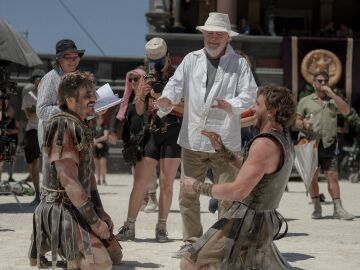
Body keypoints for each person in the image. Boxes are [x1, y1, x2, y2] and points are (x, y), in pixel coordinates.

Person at [157, 12, 257, 246]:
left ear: (227, 38)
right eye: (209, 33)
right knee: (188, 193)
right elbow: (175, 85)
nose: (213, 38)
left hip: (224, 141)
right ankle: (192, 240)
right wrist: (166, 100)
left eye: (218, 34)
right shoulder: (191, 59)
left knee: (227, 194)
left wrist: (231, 105)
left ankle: (223, 242)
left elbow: (250, 94)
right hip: (193, 138)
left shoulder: (239, 63)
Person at [179, 85, 296, 269]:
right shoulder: (284, 139)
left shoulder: (265, 144)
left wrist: (195, 186)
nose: (253, 109)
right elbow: (253, 169)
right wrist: (222, 150)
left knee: (190, 263)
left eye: (258, 104)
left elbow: (237, 191)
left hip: (249, 223)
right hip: (264, 219)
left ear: (272, 111)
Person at [29, 71, 122, 270]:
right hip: (61, 210)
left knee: (116, 255)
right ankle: (55, 244)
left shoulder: (81, 123)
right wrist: (96, 224)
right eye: (87, 95)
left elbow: (88, 174)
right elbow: (68, 181)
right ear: (70, 100)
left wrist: (99, 211)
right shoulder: (62, 126)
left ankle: (74, 246)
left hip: (79, 206)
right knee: (100, 264)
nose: (95, 99)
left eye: (93, 93)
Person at [116, 37, 183, 242]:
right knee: (139, 182)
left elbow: (186, 110)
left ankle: (161, 227)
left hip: (173, 133)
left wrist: (164, 101)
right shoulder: (148, 77)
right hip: (152, 133)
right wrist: (141, 96)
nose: (157, 64)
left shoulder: (178, 77)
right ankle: (129, 226)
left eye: (161, 59)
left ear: (168, 57)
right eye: (154, 60)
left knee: (167, 183)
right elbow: (138, 111)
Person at [295, 70, 355, 220]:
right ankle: (316, 206)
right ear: (313, 83)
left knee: (333, 176)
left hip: (329, 144)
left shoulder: (333, 101)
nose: (323, 84)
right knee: (312, 177)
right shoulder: (305, 101)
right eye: (320, 81)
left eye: (325, 81)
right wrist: (304, 123)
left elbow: (347, 111)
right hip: (310, 144)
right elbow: (296, 121)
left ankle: (338, 209)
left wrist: (333, 94)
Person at [36, 39, 85, 201]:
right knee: (53, 183)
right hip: (53, 137)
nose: (73, 61)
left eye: (76, 57)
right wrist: (68, 109)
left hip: (73, 137)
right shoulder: (51, 78)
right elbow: (41, 110)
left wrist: (94, 110)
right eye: (68, 58)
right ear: (58, 60)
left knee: (72, 181)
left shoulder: (77, 79)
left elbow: (80, 110)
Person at [108, 68, 159, 213]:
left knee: (149, 170)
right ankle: (143, 199)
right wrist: (112, 131)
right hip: (130, 141)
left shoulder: (150, 97)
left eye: (136, 79)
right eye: (131, 80)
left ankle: (153, 198)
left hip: (147, 138)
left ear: (143, 79)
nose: (133, 82)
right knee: (136, 172)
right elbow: (116, 115)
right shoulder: (127, 99)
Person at [21, 70, 44, 205]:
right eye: (37, 80)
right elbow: (30, 115)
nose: (39, 83)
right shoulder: (28, 96)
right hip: (33, 131)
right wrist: (41, 109)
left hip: (45, 130)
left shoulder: (49, 95)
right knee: (33, 163)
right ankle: (37, 193)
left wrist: (37, 109)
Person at [93, 115, 109, 185]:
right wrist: (96, 143)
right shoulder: (93, 127)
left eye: (101, 118)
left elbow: (105, 137)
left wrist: (97, 140)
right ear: (96, 119)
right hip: (95, 148)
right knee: (96, 165)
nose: (100, 120)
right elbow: (91, 137)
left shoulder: (105, 127)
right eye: (98, 119)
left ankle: (104, 179)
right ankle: (98, 180)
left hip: (103, 147)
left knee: (103, 164)